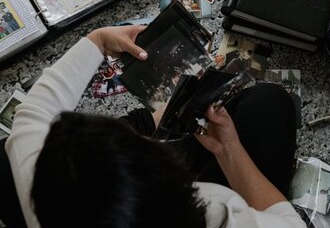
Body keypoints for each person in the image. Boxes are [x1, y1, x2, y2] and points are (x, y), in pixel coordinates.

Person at [3, 25, 306, 228]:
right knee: (270, 104)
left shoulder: (47, 192)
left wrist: (99, 40)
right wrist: (229, 150)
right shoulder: (218, 211)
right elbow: (287, 222)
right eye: (139, 141)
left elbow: (32, 115)